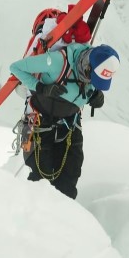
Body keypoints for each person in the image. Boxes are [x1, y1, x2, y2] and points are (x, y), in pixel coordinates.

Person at [9, 41, 120, 199]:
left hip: (70, 125)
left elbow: (88, 89)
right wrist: (41, 88)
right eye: (93, 77)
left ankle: (64, 218)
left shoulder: (94, 69)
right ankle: (33, 217)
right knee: (39, 179)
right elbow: (16, 67)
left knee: (69, 180)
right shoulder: (58, 61)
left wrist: (96, 95)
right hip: (39, 123)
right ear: (88, 65)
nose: (92, 82)